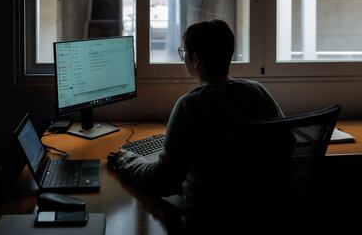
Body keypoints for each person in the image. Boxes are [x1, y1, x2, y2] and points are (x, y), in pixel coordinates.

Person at [113, 19, 285, 233]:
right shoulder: (258, 91)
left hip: (207, 219)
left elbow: (162, 180)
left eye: (183, 51)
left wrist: (126, 160)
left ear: (195, 59)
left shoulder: (190, 105)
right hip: (260, 213)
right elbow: (287, 143)